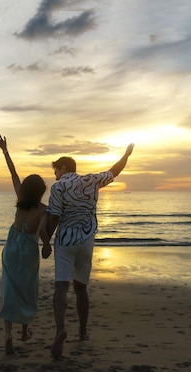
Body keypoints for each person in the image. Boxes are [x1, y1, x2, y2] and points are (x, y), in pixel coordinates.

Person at [39, 143, 134, 360]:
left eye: (56, 171)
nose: (54, 176)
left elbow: (54, 216)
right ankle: (82, 332)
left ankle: (60, 329)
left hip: (65, 242)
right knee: (81, 289)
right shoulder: (91, 180)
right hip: (86, 242)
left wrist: (46, 244)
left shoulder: (59, 187)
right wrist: (126, 154)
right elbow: (114, 171)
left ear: (63, 168)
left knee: (61, 288)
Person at [0, 132, 48, 355]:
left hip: (12, 246)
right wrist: (47, 245)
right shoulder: (43, 209)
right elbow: (44, 230)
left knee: (9, 289)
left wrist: (5, 150)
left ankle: (8, 334)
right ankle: (24, 332)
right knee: (28, 288)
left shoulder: (19, 200)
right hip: (28, 249)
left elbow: (13, 172)